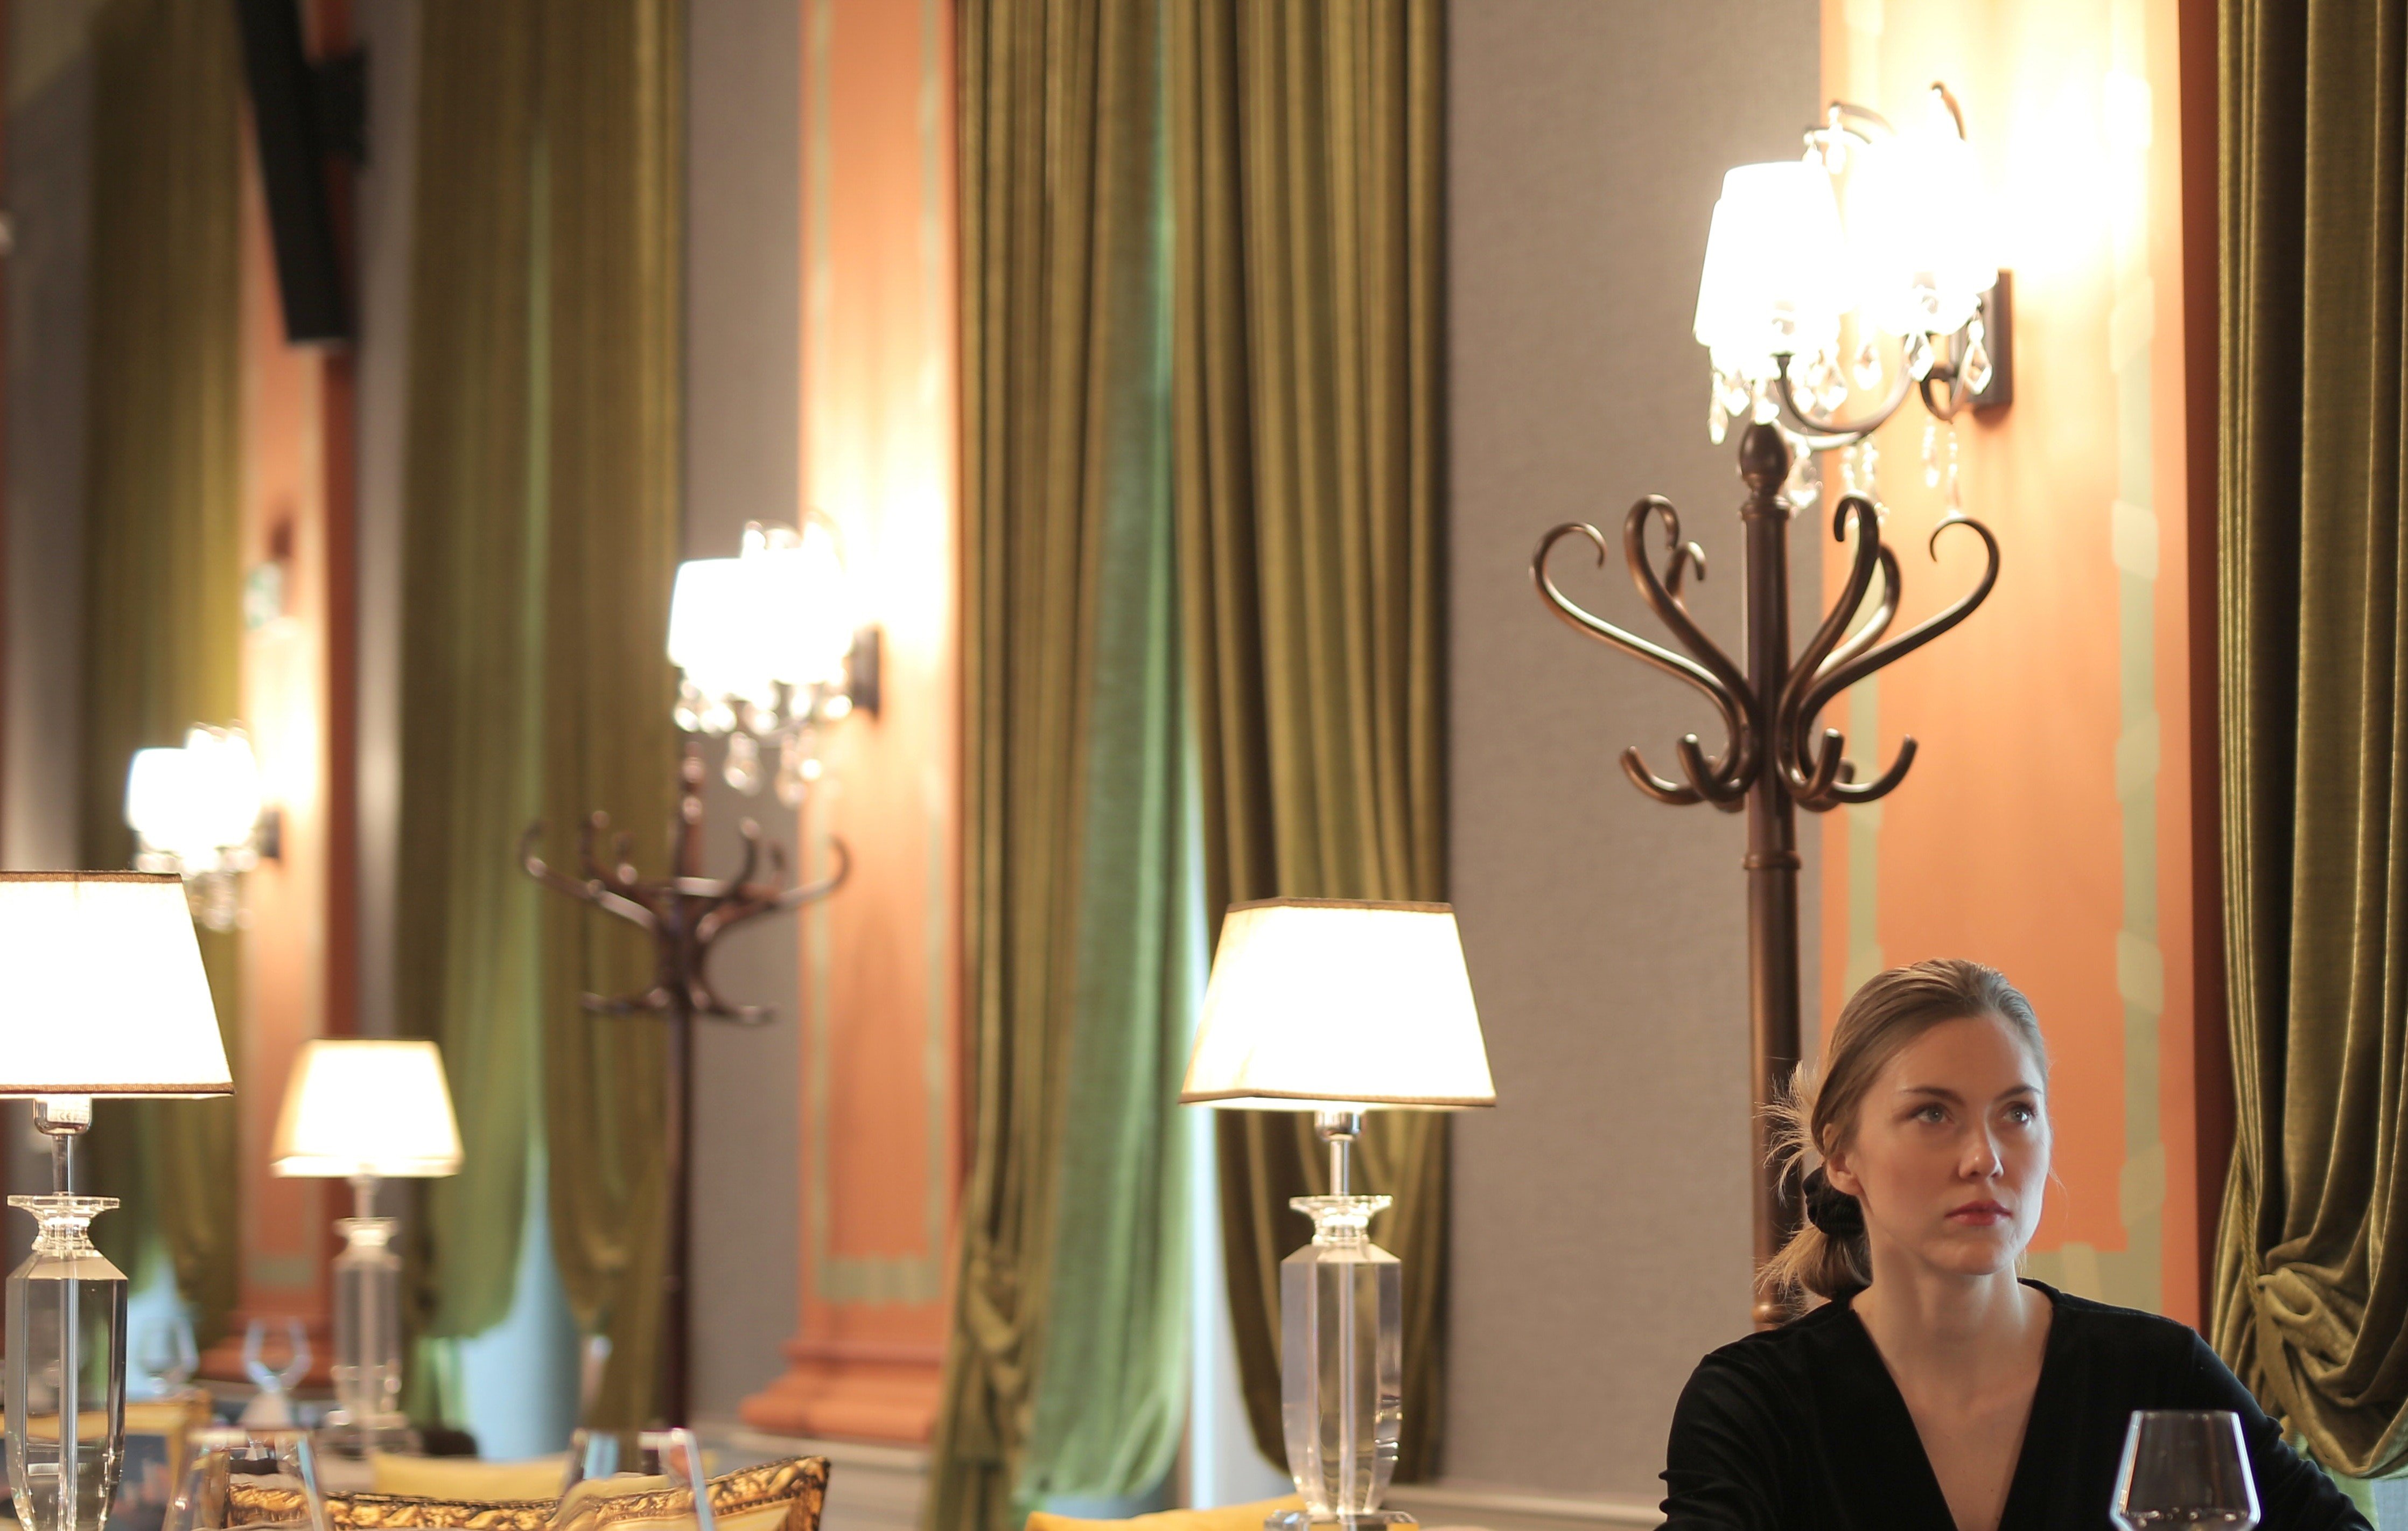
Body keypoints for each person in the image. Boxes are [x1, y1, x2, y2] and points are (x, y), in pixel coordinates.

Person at [1660, 958, 2367, 1531]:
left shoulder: (2159, 1376)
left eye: (2018, 1113)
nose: (1984, 1157)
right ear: (1843, 1156)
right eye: (1933, 1113)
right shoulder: (1755, 1404)